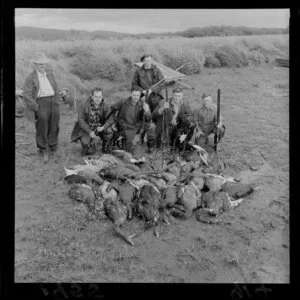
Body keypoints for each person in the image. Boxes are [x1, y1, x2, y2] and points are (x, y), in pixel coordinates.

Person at [23, 52, 66, 163]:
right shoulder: (31, 77)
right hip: (41, 103)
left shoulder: (50, 74)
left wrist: (57, 99)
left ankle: (53, 147)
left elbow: (55, 88)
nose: (43, 67)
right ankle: (43, 149)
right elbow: (26, 95)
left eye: (44, 64)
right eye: (40, 65)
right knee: (42, 126)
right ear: (35, 65)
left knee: (54, 125)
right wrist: (36, 107)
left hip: (53, 102)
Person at [71, 88, 114, 155]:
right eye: (96, 97)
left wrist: (103, 127)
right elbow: (80, 120)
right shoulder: (84, 106)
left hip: (99, 128)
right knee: (89, 151)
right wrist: (89, 131)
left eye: (99, 97)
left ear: (102, 97)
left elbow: (111, 119)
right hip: (88, 129)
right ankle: (87, 144)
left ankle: (105, 149)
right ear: (92, 96)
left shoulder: (106, 106)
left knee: (109, 131)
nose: (98, 99)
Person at [112, 88, 155, 153]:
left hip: (138, 126)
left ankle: (150, 147)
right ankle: (123, 142)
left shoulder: (142, 104)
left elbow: (149, 119)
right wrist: (114, 122)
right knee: (130, 151)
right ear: (131, 94)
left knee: (152, 126)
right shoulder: (123, 102)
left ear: (140, 95)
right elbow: (111, 110)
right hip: (127, 127)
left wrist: (147, 111)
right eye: (134, 95)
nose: (136, 97)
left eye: (137, 95)